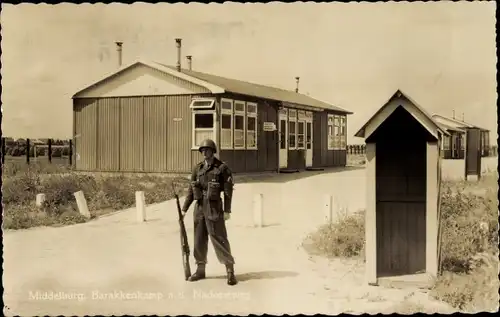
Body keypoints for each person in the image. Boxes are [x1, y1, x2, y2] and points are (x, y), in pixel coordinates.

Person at [181, 139, 237, 286]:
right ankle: (200, 270)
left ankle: (230, 270)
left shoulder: (222, 168)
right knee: (199, 239)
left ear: (213, 151)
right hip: (199, 208)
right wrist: (184, 209)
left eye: (207, 150)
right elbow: (191, 191)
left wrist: (227, 211)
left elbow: (228, 192)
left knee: (219, 238)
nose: (204, 153)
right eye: (202, 150)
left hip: (214, 207)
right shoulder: (197, 169)